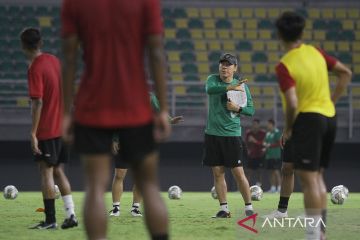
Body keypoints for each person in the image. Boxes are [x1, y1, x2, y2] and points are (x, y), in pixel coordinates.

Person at [61, 0, 171, 239]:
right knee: (150, 184)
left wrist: (67, 112)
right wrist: (163, 108)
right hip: (136, 106)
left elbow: (69, 58)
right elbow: (156, 52)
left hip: (92, 107)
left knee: (94, 187)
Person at [269, 12, 352, 240]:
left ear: (279, 35)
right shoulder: (316, 52)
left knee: (308, 181)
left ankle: (313, 234)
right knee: (317, 178)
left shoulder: (284, 65)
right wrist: (330, 102)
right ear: (302, 33)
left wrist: (288, 127)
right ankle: (320, 232)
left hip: (308, 121)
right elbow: (345, 73)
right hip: (329, 118)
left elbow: (293, 102)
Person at [21, 28, 78, 230]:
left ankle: (51, 220)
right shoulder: (54, 60)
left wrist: (34, 133)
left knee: (46, 172)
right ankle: (71, 214)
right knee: (58, 172)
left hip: (47, 128)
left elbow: (38, 103)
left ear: (23, 45)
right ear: (41, 43)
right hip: (61, 126)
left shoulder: (35, 69)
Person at [109, 93, 183, 217]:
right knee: (119, 174)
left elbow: (159, 111)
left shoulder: (148, 95)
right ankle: (116, 208)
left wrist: (170, 120)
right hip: (122, 140)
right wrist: (113, 138)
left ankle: (135, 208)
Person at [203, 53, 255, 218]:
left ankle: (249, 208)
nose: (224, 67)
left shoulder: (243, 87)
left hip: (232, 135)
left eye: (228, 64)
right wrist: (230, 88)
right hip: (212, 134)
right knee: (217, 173)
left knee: (238, 173)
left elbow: (251, 111)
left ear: (235, 68)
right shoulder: (212, 79)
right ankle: (224, 209)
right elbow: (210, 90)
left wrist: (237, 108)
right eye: (222, 64)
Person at [244, 118, 266, 186]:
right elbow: (246, 143)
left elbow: (263, 144)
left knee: (259, 171)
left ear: (259, 125)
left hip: (259, 155)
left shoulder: (263, 133)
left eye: (256, 124)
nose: (254, 126)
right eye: (253, 124)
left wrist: (254, 141)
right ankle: (246, 186)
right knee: (248, 171)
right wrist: (247, 149)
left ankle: (259, 185)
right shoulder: (248, 133)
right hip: (251, 155)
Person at [263, 119, 281, 193]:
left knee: (276, 171)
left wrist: (269, 145)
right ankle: (273, 187)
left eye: (268, 124)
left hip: (275, 155)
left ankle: (279, 188)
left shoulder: (277, 132)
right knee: (271, 172)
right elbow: (265, 142)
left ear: (272, 124)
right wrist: (265, 146)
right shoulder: (268, 133)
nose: (267, 126)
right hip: (269, 155)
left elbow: (279, 143)